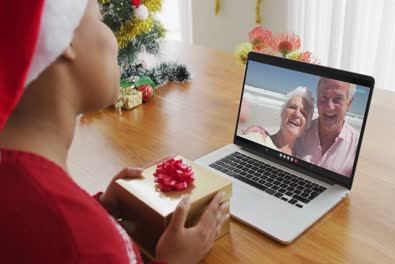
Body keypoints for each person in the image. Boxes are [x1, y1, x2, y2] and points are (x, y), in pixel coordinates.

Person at [0, 1, 228, 263]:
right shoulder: (93, 244)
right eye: (99, 19)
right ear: (65, 41)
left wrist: (99, 208)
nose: (115, 38)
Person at [244, 78, 359, 177]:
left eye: (337, 99)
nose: (329, 107)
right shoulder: (302, 131)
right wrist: (259, 133)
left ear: (349, 103)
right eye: (324, 98)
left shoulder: (356, 147)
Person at [242, 86, 314, 155]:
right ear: (282, 112)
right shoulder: (256, 139)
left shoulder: (302, 160)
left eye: (303, 113)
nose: (297, 114)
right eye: (292, 107)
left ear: (306, 125)